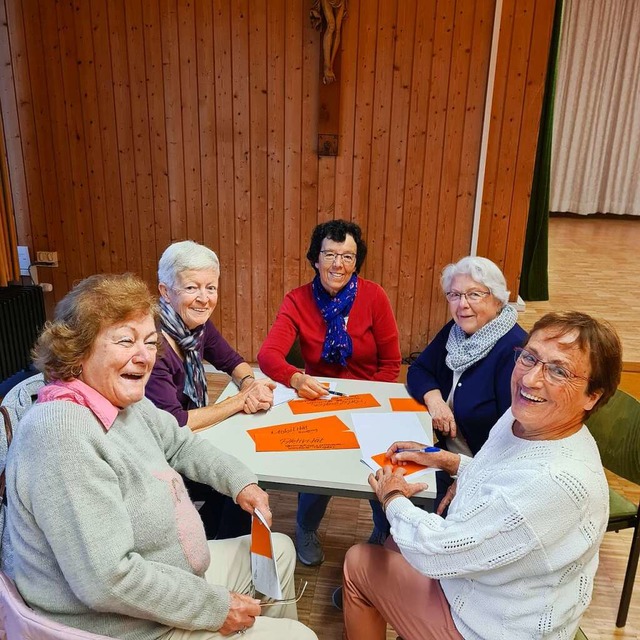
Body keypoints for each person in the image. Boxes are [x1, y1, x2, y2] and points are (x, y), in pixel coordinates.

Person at [6, 273, 316, 640]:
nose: (144, 356)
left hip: (165, 572)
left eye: (151, 342)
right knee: (299, 636)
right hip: (122, 624)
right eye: (126, 341)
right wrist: (214, 608)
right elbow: (107, 581)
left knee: (278, 551)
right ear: (79, 350)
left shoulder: (120, 402)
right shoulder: (62, 434)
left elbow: (181, 443)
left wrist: (241, 482)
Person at [342, 311, 622, 640]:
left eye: (559, 371)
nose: (530, 379)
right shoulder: (528, 420)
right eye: (529, 357)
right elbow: (505, 476)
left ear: (593, 396)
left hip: (494, 628)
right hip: (495, 593)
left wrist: (392, 498)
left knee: (359, 562)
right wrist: (447, 460)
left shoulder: (551, 482)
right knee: (393, 543)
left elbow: (440, 551)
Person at [257, 219, 401, 566]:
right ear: (316, 259)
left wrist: (367, 404)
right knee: (317, 469)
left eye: (348, 257)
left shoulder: (374, 296)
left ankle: (383, 529)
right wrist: (294, 378)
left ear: (357, 261)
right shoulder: (297, 300)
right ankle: (305, 529)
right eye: (331, 255)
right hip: (319, 398)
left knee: (377, 467)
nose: (339, 265)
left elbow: (392, 362)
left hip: (371, 399)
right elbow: (267, 356)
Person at [146, 240, 275, 539]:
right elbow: (177, 422)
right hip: (157, 456)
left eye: (211, 288)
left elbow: (231, 361)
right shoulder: (153, 345)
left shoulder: (196, 327)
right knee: (245, 473)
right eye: (192, 288)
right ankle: (218, 550)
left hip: (184, 440)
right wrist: (239, 401)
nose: (204, 298)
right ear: (165, 291)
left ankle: (207, 538)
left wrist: (250, 384)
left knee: (240, 473)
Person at [407, 256, 526, 507]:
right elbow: (418, 370)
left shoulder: (514, 352)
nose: (462, 305)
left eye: (474, 295)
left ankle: (390, 539)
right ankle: (385, 533)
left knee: (404, 490)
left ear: (497, 299)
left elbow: (515, 439)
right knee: (390, 465)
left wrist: (467, 476)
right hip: (446, 454)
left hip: (484, 473)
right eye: (455, 295)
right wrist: (435, 400)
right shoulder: (457, 332)